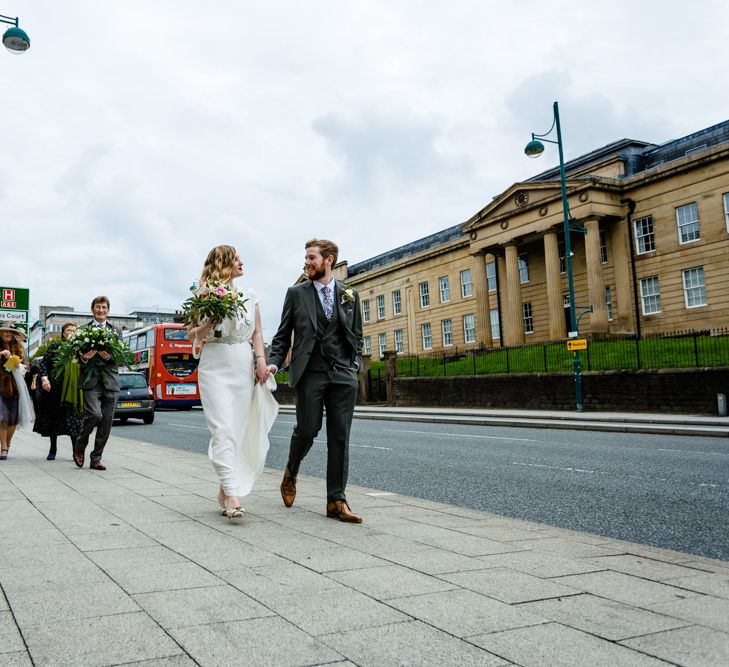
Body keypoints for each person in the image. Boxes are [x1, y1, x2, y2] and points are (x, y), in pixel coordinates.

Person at [267, 239, 364, 523]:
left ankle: (336, 500)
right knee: (308, 430)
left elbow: (357, 335)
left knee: (340, 437)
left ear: (328, 260)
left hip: (343, 374)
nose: (306, 262)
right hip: (311, 372)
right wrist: (273, 362)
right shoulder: (296, 293)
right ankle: (291, 470)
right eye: (306, 257)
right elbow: (283, 335)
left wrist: (354, 364)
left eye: (311, 257)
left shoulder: (350, 295)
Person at [187, 245, 277, 519]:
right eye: (236, 258)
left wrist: (261, 360)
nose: (241, 262)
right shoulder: (202, 295)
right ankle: (232, 496)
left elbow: (258, 332)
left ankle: (225, 488)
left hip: (241, 363)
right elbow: (192, 334)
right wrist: (208, 323)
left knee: (237, 431)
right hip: (214, 364)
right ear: (224, 263)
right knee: (222, 429)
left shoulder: (250, 296)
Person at [73, 296, 120, 470]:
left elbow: (121, 356)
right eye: (98, 307)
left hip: (110, 381)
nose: (101, 310)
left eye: (104, 307)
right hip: (90, 381)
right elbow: (76, 355)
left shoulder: (116, 331)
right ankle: (80, 444)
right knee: (94, 414)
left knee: (106, 422)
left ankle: (96, 458)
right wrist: (84, 357)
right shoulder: (83, 331)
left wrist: (110, 357)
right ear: (92, 310)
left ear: (108, 310)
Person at [34, 322, 84, 460]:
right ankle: (53, 449)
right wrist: (44, 379)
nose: (71, 333)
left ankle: (75, 451)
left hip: (74, 390)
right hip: (55, 390)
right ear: (63, 333)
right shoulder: (55, 347)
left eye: (74, 330)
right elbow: (44, 364)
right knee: (54, 420)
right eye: (68, 330)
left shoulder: (80, 349)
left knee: (73, 421)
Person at [0, 321, 31, 460]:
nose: (8, 334)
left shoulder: (19, 347)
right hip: (0, 386)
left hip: (16, 387)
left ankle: (8, 443)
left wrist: (11, 359)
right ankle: (4, 447)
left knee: (13, 420)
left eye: (10, 332)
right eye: (5, 331)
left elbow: (26, 367)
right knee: (1, 418)